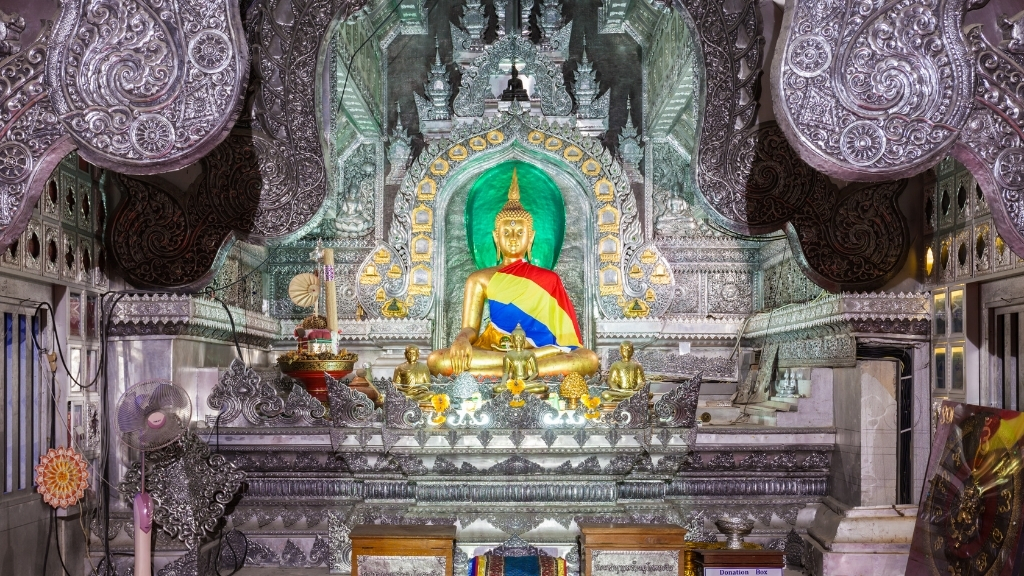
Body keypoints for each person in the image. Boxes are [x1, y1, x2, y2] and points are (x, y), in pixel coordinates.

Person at [427, 169, 599, 378]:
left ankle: (510, 368)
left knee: (588, 358)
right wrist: (461, 339)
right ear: (496, 237)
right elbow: (470, 328)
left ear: (531, 237)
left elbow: (566, 340)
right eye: (506, 232)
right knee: (437, 360)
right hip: (495, 349)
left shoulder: (549, 279)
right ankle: (521, 368)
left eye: (520, 232)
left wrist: (545, 351)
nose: (513, 238)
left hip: (538, 351)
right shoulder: (479, 279)